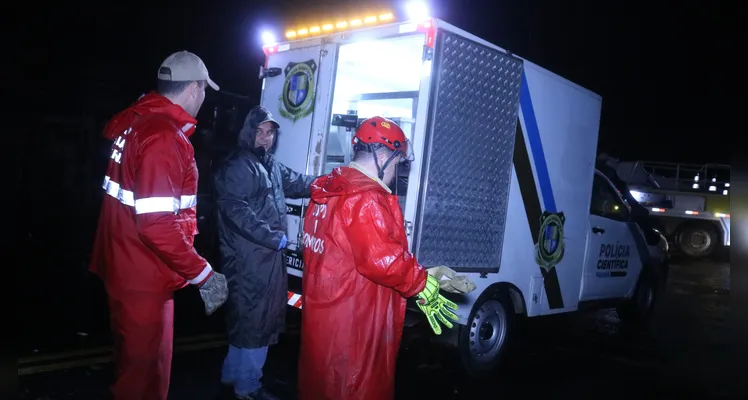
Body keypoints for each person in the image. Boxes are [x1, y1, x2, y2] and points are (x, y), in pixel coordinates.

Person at [89, 50, 229, 400]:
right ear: (195, 89)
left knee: (139, 369)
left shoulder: (136, 123)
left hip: (126, 266)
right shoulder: (164, 137)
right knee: (143, 378)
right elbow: (157, 226)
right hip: (144, 276)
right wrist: (204, 275)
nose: (204, 98)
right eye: (204, 90)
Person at [297, 116, 459, 400]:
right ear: (382, 156)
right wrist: (422, 282)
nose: (395, 173)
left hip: (326, 322)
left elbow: (349, 252)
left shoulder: (329, 191)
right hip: (355, 324)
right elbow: (382, 260)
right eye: (397, 163)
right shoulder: (364, 199)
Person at [214, 105, 315, 400]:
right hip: (248, 259)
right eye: (260, 131)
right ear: (248, 132)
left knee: (248, 320)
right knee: (255, 321)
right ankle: (248, 386)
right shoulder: (237, 166)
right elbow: (237, 211)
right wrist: (274, 238)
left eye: (270, 133)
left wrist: (333, 180)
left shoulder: (268, 164)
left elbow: (298, 182)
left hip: (264, 257)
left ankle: (231, 374)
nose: (266, 138)